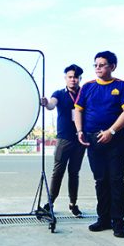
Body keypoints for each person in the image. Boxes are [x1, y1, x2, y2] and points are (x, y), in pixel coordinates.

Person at [74, 51, 124, 237]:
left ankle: (118, 222)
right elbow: (78, 110)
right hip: (93, 139)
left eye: (102, 64)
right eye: (96, 65)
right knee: (100, 180)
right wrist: (79, 131)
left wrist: (112, 131)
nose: (98, 68)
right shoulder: (87, 87)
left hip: (116, 139)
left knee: (116, 180)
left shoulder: (122, 86)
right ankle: (103, 219)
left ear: (113, 66)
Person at [40, 64, 86, 217]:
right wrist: (46, 102)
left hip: (80, 139)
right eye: (70, 77)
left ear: (80, 78)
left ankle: (73, 204)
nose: (73, 80)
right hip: (63, 139)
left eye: (76, 77)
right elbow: (52, 105)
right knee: (58, 172)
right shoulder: (59, 93)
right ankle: (50, 203)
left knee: (74, 173)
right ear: (65, 78)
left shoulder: (84, 93)